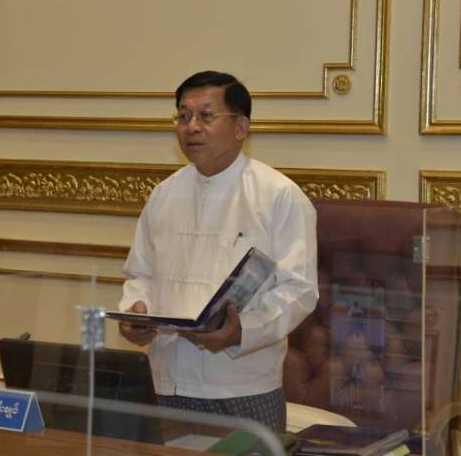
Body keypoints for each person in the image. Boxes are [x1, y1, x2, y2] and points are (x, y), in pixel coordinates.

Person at [116, 71, 317, 434]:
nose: (191, 127)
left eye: (206, 116)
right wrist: (136, 311)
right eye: (183, 116)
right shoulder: (164, 194)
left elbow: (299, 290)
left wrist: (243, 332)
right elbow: (140, 274)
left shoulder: (279, 196)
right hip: (166, 383)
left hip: (242, 388)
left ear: (241, 127)